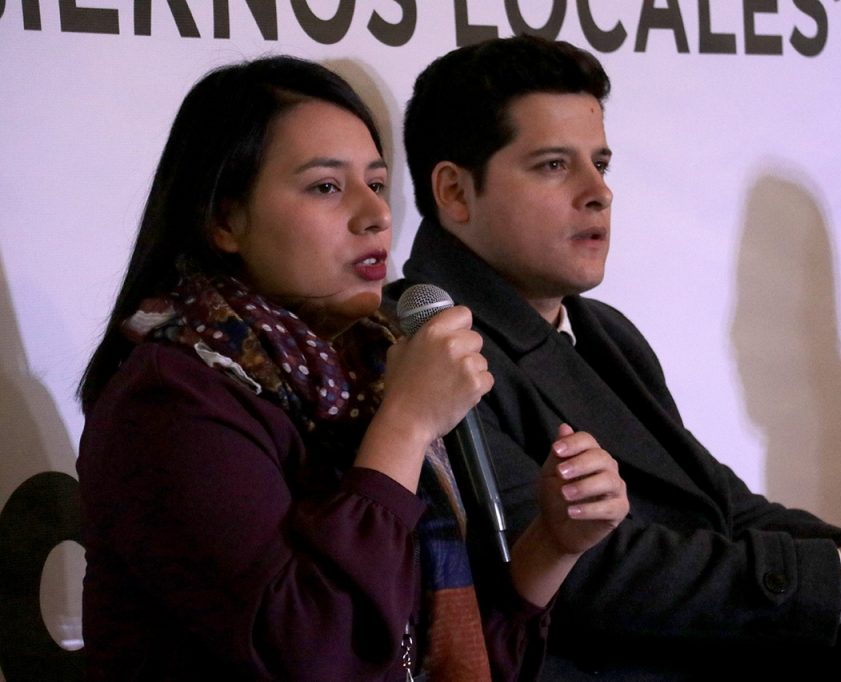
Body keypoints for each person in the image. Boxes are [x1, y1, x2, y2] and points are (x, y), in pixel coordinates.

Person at [387, 35, 841, 680]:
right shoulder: (427, 346)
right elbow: (570, 571)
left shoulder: (603, 331)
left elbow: (721, 506)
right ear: (455, 192)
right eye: (553, 166)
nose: (598, 192)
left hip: (685, 646)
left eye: (602, 164)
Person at [75, 55, 628, 681]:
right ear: (225, 220)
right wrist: (406, 424)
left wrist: (553, 544)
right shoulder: (169, 401)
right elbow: (317, 652)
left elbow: (452, 659)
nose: (376, 215)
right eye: (326, 187)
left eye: (377, 183)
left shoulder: (365, 372)